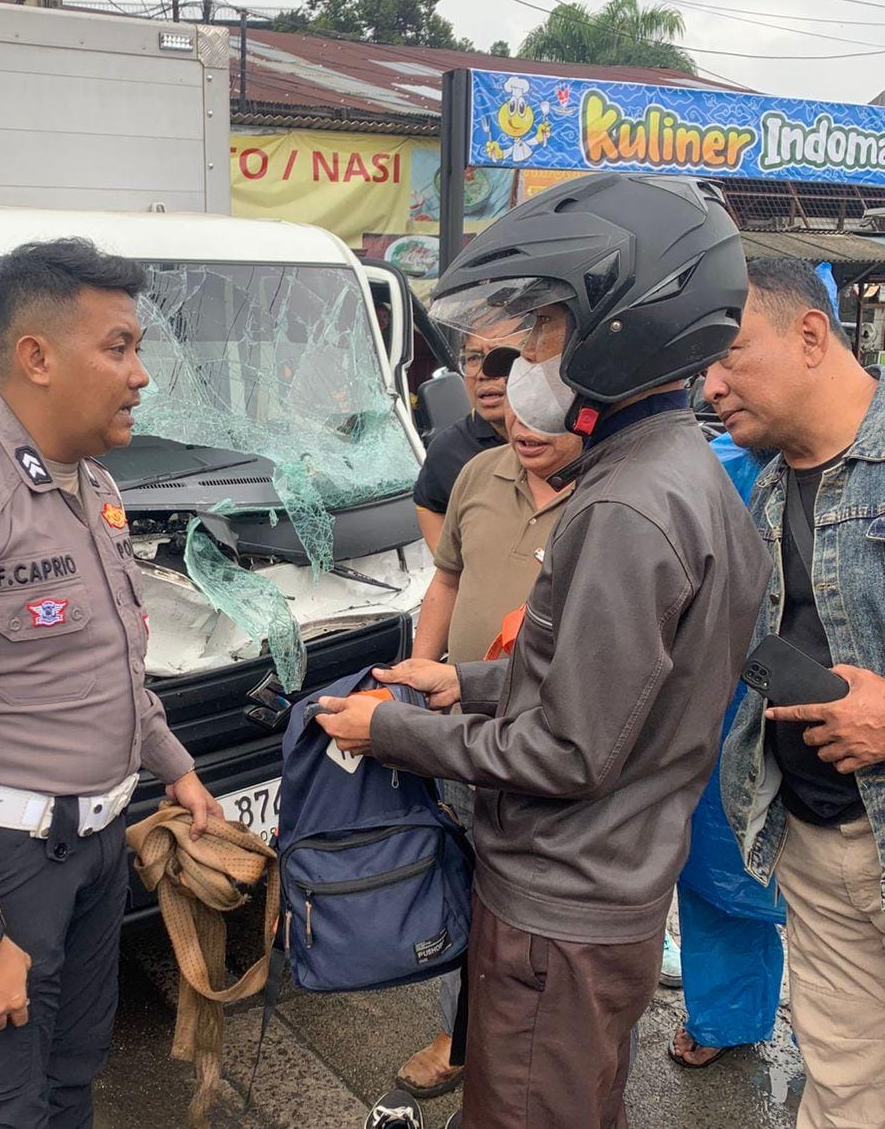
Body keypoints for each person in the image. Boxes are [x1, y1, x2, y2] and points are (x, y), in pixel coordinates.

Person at [316, 173, 768, 1129]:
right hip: (613, 890)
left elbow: (568, 750)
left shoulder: (620, 509)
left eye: (547, 331)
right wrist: (465, 680)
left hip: (559, 913)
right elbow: (626, 683)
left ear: (624, 334)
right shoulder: (683, 474)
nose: (524, 361)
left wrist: (389, 730)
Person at [0, 238, 221, 1129]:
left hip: (94, 853)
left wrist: (174, 765)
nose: (142, 374)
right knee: (3, 1109)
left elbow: (109, 663)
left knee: (71, 1086)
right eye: (119, 347)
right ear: (37, 356)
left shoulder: (91, 487)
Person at [708, 257, 885, 1129]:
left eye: (729, 353)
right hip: (815, 845)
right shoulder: (767, 488)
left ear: (810, 334)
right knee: (843, 1086)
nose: (710, 385)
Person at [398, 396, 581, 1100]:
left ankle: (537, 1062)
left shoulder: (607, 495)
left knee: (538, 923)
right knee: (456, 891)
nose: (524, 427)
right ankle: (460, 1036)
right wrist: (416, 677)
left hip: (549, 747)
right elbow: (446, 578)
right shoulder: (477, 473)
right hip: (458, 729)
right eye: (518, 413)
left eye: (545, 414)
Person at [669, 432, 787, 1071]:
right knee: (721, 870)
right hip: (725, 703)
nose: (715, 383)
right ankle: (727, 1016)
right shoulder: (714, 464)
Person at [411, 320, 523, 552]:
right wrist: (455, 574)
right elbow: (428, 505)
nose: (483, 373)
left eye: (501, 356)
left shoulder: (572, 435)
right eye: (473, 358)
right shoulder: (448, 451)